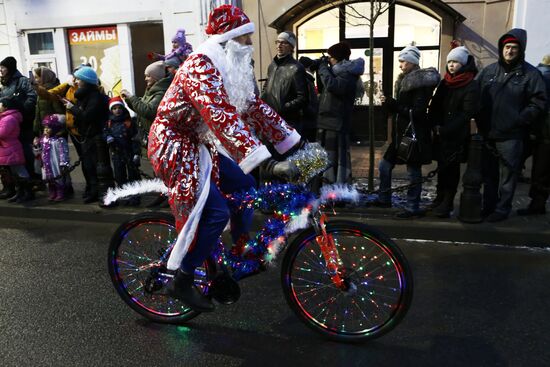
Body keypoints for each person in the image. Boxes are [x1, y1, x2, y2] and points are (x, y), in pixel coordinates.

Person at [148, 5, 301, 312]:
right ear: (228, 40)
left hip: (199, 144)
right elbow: (220, 115)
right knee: (215, 212)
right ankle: (183, 278)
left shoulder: (232, 67)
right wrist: (267, 162)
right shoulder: (200, 66)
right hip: (173, 143)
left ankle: (235, 251)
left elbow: (254, 108)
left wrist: (293, 143)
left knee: (244, 186)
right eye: (245, 38)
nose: (249, 45)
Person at [477, 29, 547, 222]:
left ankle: (502, 209)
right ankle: (488, 206)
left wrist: (520, 119)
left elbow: (539, 102)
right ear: (501, 48)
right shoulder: (489, 71)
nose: (509, 51)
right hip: (488, 133)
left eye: (514, 48)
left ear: (521, 50)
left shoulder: (530, 74)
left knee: (508, 176)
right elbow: (475, 94)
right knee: (489, 175)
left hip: (512, 135)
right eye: (507, 47)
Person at [374, 45, 440, 218]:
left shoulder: (420, 83)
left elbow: (416, 111)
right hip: (400, 135)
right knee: (385, 165)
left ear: (412, 62)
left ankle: (412, 206)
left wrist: (393, 103)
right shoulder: (404, 80)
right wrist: (389, 103)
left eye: (403, 61)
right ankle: (384, 198)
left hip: (412, 135)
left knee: (413, 171)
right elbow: (402, 108)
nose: (400, 65)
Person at [428, 45, 480, 218]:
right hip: (441, 133)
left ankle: (447, 201)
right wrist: (435, 124)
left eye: (456, 62)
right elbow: (435, 105)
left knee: (451, 169)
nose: (451, 65)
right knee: (442, 168)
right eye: (449, 61)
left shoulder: (471, 84)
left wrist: (446, 129)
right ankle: (440, 197)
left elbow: (467, 113)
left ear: (463, 64)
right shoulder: (445, 82)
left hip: (455, 135)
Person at [121, 61, 173, 207]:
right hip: (152, 136)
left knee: (163, 170)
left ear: (155, 77)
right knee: (158, 170)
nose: (145, 79)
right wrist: (130, 101)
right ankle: (162, 195)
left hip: (160, 137)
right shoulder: (152, 89)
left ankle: (169, 197)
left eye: (148, 76)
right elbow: (142, 108)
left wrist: (132, 98)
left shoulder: (160, 92)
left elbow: (149, 111)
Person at [315, 42, 365, 185]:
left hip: (336, 123)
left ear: (338, 57)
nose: (329, 60)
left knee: (335, 159)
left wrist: (323, 67)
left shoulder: (348, 73)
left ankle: (336, 189)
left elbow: (333, 86)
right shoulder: (338, 72)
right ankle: (326, 187)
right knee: (327, 159)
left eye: (330, 57)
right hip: (328, 121)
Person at [62, 66, 110, 204]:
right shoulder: (83, 95)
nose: (76, 81)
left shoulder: (95, 96)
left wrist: (72, 108)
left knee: (99, 167)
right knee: (89, 165)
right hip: (86, 136)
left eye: (78, 79)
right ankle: (94, 191)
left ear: (85, 80)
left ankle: (104, 194)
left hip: (96, 136)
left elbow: (88, 116)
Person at [516, 54, 550, 216]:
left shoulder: (538, 75)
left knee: (537, 167)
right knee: (541, 170)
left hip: (538, 128)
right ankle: (538, 202)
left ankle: (537, 204)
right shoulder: (542, 76)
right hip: (544, 130)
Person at [0, 56, 37, 196]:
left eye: (3, 68)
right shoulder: (4, 83)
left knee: (23, 154)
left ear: (9, 68)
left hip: (21, 122)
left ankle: (28, 185)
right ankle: (11, 187)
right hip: (6, 122)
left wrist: (21, 110)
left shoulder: (21, 81)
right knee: (6, 157)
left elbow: (32, 97)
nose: (1, 71)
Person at [261, 31, 307, 135]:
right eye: (277, 42)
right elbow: (266, 87)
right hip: (270, 118)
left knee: (287, 150)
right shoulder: (272, 65)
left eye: (284, 43)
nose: (279, 45)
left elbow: (303, 98)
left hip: (288, 121)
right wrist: (262, 103)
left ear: (291, 47)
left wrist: (283, 107)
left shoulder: (296, 68)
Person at [103, 96, 141, 206]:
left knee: (133, 176)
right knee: (120, 175)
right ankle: (124, 195)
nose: (117, 110)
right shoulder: (109, 122)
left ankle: (135, 197)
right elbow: (105, 132)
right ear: (111, 110)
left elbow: (135, 139)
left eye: (119, 108)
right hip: (116, 153)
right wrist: (107, 137)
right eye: (114, 108)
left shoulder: (129, 122)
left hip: (129, 153)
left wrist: (136, 153)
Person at [0, 96, 33, 203]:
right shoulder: (5, 117)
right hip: (7, 148)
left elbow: (2, 133)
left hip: (11, 148)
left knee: (20, 170)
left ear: (5, 107)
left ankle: (27, 192)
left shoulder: (9, 118)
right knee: (15, 172)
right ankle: (20, 192)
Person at [36, 114, 70, 202]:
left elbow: (63, 152)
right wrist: (36, 145)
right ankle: (52, 191)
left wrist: (63, 163)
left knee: (57, 177)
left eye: (49, 128)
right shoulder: (43, 139)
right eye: (45, 128)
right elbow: (39, 151)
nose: (46, 130)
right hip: (46, 163)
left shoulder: (59, 140)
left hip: (55, 162)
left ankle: (60, 192)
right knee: (49, 177)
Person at [298, 56, 319, 142]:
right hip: (308, 122)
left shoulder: (304, 79)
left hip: (306, 121)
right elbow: (305, 101)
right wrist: (314, 113)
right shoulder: (306, 80)